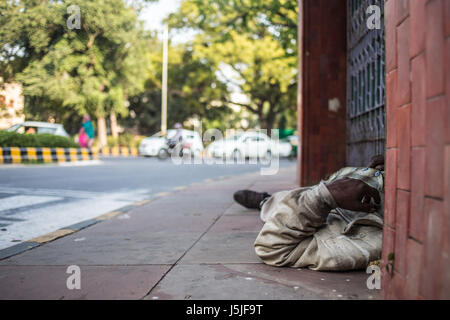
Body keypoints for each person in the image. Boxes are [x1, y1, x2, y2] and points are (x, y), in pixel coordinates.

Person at [233, 155, 385, 271]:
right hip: (343, 192)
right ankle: (272, 200)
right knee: (301, 196)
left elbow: (270, 249)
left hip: (337, 216)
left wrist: (325, 196)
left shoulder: (372, 242)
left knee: (288, 207)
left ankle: (264, 201)